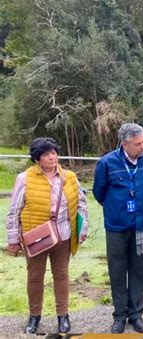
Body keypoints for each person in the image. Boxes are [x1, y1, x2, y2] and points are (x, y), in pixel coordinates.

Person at [6, 137, 88, 334]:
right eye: (46, 154)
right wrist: (13, 239)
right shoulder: (24, 178)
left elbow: (81, 204)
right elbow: (13, 211)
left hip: (64, 235)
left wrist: (82, 229)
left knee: (61, 275)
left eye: (53, 153)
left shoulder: (69, 176)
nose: (52, 157)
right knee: (35, 277)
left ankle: (63, 316)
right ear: (37, 159)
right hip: (35, 237)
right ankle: (34, 317)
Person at [93, 123, 143, 334]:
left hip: (140, 224)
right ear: (125, 144)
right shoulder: (107, 163)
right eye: (138, 143)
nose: (142, 147)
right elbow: (99, 192)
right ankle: (119, 315)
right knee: (118, 271)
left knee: (139, 270)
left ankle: (136, 314)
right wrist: (116, 207)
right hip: (116, 226)